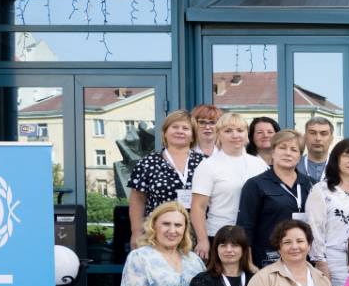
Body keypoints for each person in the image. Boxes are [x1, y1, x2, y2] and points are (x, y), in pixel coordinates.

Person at [191, 112, 268, 260]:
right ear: (218, 135)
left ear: (246, 134)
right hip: (220, 236)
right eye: (228, 131)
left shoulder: (259, 164)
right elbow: (198, 207)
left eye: (240, 130)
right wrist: (202, 240)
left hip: (254, 237)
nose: (235, 135)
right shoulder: (208, 166)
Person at [305, 139, 349, 286]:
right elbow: (314, 228)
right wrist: (320, 262)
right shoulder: (321, 190)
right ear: (336, 159)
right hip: (333, 264)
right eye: (347, 156)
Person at [237, 129, 315, 265]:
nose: (288, 153)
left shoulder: (312, 185)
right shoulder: (255, 184)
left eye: (294, 150)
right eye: (282, 148)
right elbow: (245, 227)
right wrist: (248, 263)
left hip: (304, 258)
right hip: (268, 258)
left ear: (300, 156)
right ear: (273, 152)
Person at [127, 110, 205, 243]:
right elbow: (137, 200)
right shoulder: (148, 162)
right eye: (175, 127)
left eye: (185, 128)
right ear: (165, 133)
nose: (180, 131)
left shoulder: (205, 163)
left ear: (193, 136)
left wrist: (203, 239)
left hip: (196, 235)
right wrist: (136, 232)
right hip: (157, 234)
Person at [298, 117, 334, 182]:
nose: (318, 138)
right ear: (305, 137)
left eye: (323, 134)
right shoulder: (294, 165)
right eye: (312, 133)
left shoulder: (339, 166)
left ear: (331, 139)